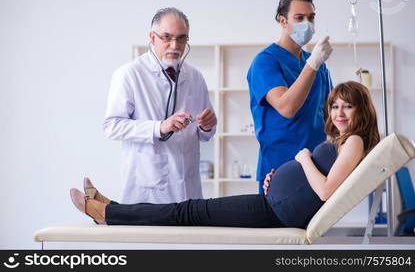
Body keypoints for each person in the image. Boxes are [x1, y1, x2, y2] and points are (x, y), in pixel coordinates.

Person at [72, 81, 380, 229]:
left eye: (347, 106)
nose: (339, 112)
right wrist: (286, 174)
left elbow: (326, 190)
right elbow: (320, 183)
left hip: (276, 211)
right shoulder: (346, 140)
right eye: (335, 105)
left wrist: (302, 160)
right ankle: (113, 208)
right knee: (188, 210)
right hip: (275, 204)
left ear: (360, 109)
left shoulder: (354, 142)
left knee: (188, 211)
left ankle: (109, 214)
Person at [103, 7, 217, 204]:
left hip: (188, 188)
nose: (175, 45)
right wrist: (159, 127)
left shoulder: (195, 77)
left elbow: (204, 133)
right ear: (152, 37)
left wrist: (207, 125)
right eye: (167, 37)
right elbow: (112, 126)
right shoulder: (129, 74)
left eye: (181, 38)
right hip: (148, 190)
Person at [246, 0, 334, 193]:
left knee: (315, 225)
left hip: (316, 167)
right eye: (299, 18)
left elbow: (330, 113)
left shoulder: (316, 62)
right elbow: (287, 107)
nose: (307, 23)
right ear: (283, 21)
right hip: (279, 169)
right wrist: (312, 65)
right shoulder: (265, 61)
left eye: (311, 17)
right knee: (280, 224)